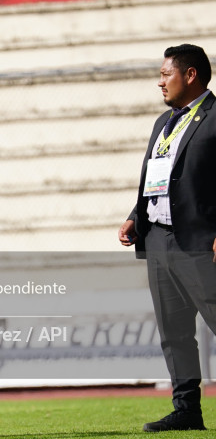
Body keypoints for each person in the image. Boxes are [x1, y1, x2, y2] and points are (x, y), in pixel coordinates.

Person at [119, 43, 216, 432]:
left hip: (199, 242)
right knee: (174, 332)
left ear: (190, 75)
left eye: (165, 74)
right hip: (159, 239)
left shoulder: (214, 117)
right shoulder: (164, 122)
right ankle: (186, 409)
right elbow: (156, 176)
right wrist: (135, 216)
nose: (160, 82)